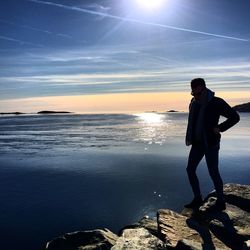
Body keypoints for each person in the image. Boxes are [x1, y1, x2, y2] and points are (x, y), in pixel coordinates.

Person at [185, 78, 240, 210]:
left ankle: (221, 202)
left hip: (211, 143)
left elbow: (235, 117)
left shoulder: (216, 102)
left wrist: (220, 128)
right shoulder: (193, 102)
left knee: (213, 172)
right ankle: (197, 198)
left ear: (203, 87)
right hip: (197, 143)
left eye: (197, 90)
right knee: (190, 169)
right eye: (193, 91)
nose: (194, 93)